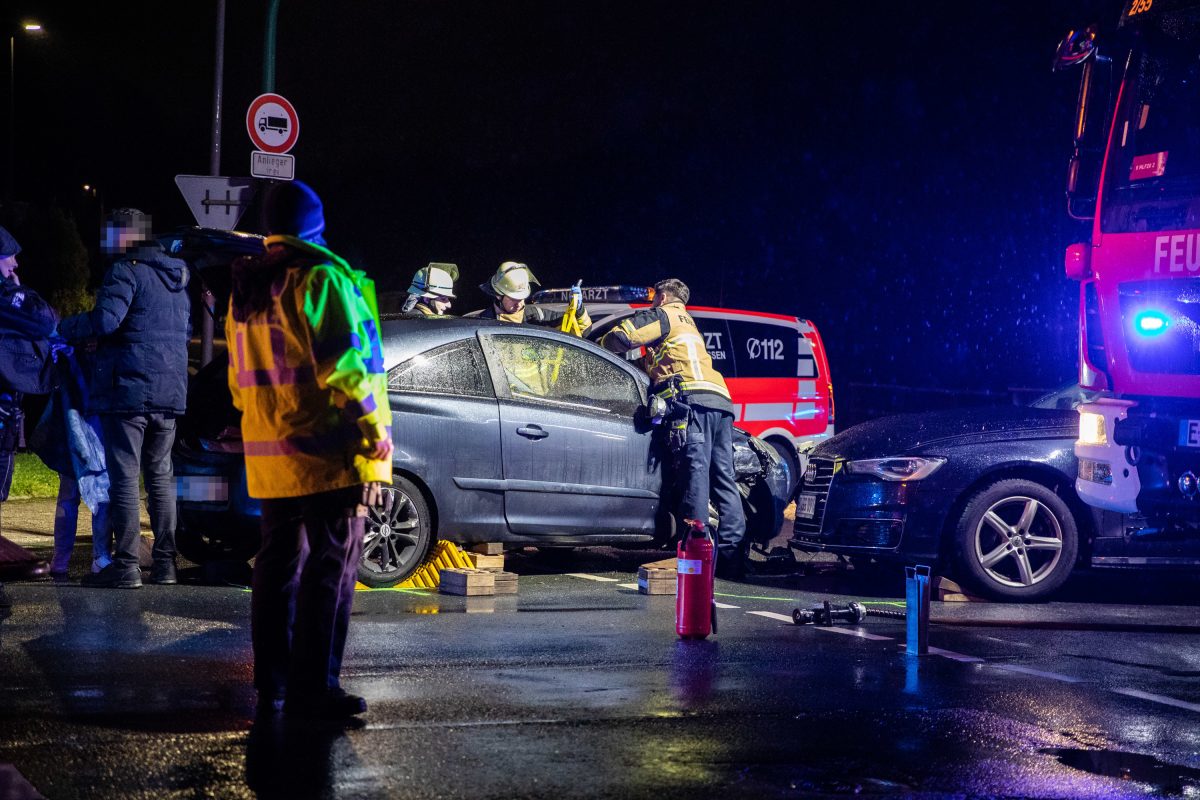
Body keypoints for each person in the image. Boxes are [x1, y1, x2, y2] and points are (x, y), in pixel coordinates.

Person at [227, 181, 392, 721]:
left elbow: (237, 385)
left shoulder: (247, 290)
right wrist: (376, 441)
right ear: (316, 227)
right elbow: (349, 371)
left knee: (276, 570)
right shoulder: (321, 278)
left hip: (273, 461)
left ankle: (272, 681)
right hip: (327, 457)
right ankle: (315, 688)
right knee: (332, 571)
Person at [59, 208, 190, 589]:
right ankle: (166, 565)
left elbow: (106, 321)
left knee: (125, 478)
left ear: (124, 237)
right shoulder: (178, 278)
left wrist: (66, 327)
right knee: (162, 479)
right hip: (169, 393)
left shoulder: (125, 271)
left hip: (128, 391)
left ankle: (127, 565)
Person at [599, 278, 747, 577]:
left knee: (696, 474)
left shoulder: (663, 315)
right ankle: (732, 558)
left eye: (654, 297)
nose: (651, 302)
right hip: (721, 401)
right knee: (724, 478)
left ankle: (696, 554)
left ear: (663, 296)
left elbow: (623, 337)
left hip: (693, 402)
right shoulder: (687, 323)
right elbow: (660, 363)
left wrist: (597, 348)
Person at [0, 225, 61, 602]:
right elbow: (45, 319)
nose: (15, 262)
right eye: (9, 256)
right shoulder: (6, 296)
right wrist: (17, 287)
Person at [476, 261, 591, 334]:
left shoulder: (538, 317)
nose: (519, 304)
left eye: (522, 298)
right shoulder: (482, 324)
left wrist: (578, 309)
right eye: (514, 299)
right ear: (498, 295)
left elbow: (583, 331)